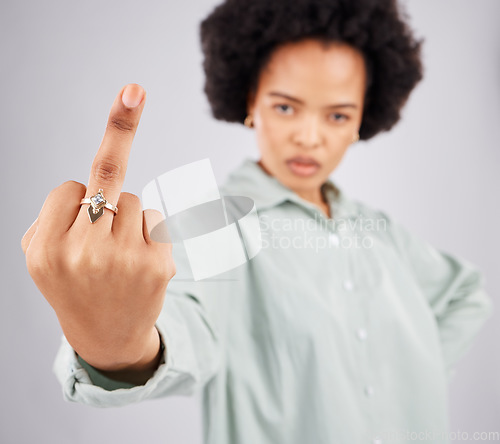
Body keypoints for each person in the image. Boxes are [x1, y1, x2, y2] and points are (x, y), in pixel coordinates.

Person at [21, 0, 493, 443]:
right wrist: (113, 340)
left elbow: (465, 296)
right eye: (286, 107)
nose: (309, 137)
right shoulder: (216, 220)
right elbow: (180, 326)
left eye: (337, 115)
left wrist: (410, 379)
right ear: (251, 100)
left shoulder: (379, 231)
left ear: (361, 120)